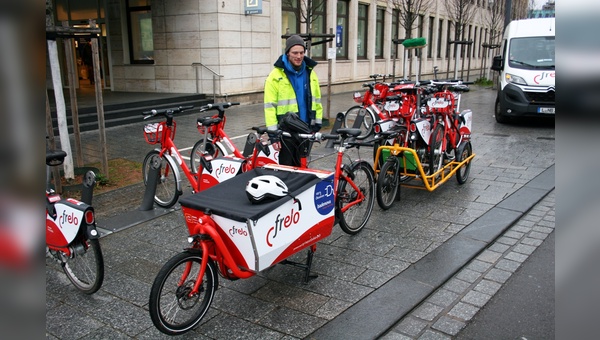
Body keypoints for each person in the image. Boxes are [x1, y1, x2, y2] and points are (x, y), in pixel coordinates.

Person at [264, 34, 323, 166]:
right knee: (287, 170)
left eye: (301, 52)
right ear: (287, 53)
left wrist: (316, 126)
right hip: (286, 132)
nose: (299, 56)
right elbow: (269, 107)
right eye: (295, 53)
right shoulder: (275, 76)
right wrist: (273, 136)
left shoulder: (310, 73)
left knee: (302, 168)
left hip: (306, 130)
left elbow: (317, 101)